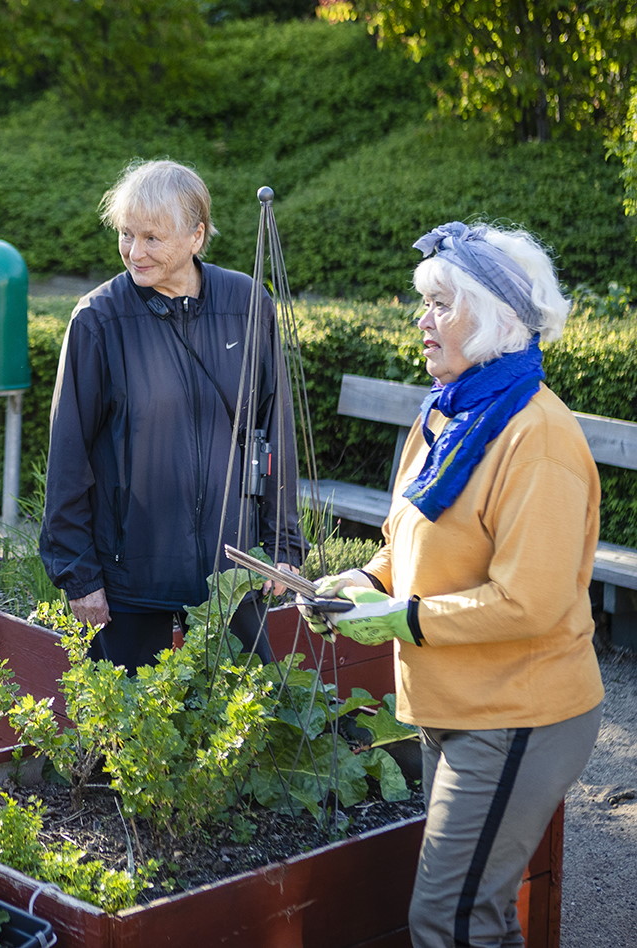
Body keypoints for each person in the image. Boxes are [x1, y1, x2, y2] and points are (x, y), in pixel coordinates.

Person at [301, 222, 604, 947]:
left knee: (451, 918)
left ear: (495, 318)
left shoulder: (539, 438)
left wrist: (401, 619)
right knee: (478, 913)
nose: (421, 320)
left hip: (516, 715)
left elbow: (531, 602)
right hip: (456, 703)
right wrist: (362, 580)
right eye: (423, 303)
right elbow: (409, 543)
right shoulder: (451, 411)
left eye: (439, 304)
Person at [39, 159, 306, 670]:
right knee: (126, 740)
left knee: (244, 733)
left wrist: (284, 543)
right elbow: (69, 457)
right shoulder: (99, 320)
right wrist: (81, 577)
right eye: (126, 235)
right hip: (132, 583)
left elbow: (274, 430)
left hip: (233, 574)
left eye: (153, 238)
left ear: (196, 235)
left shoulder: (248, 303)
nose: (134, 253)